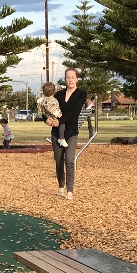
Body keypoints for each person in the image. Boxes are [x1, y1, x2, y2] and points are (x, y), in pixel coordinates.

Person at [47, 68, 87, 200]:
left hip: (71, 132)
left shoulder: (81, 94)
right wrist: (46, 119)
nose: (70, 79)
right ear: (65, 79)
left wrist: (59, 121)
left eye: (72, 77)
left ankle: (70, 190)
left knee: (69, 160)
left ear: (77, 79)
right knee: (59, 162)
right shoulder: (58, 95)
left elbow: (75, 112)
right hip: (56, 133)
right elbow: (47, 107)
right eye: (67, 77)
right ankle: (61, 187)